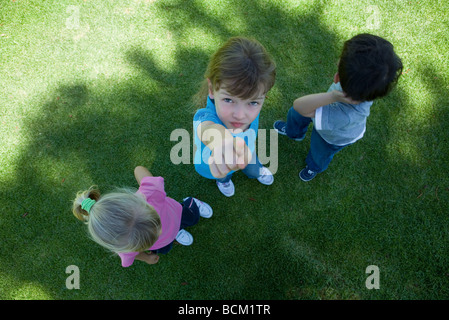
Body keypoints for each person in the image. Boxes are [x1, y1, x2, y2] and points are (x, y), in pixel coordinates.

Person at [274, 33, 403, 181]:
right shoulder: (365, 87)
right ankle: (294, 132)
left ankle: (314, 167)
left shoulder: (344, 114)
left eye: (340, 61)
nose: (338, 61)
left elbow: (299, 106)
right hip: (330, 114)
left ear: (337, 78)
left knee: (320, 151)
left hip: (332, 137)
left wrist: (332, 96)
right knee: (296, 116)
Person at [72, 166, 213, 267]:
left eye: (156, 224)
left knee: (192, 217)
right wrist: (146, 258)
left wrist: (142, 180)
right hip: (164, 240)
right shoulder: (123, 245)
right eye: (147, 241)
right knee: (166, 245)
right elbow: (130, 257)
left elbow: (139, 169)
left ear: (140, 202)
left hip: (178, 213)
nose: (160, 231)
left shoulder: (148, 195)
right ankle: (176, 233)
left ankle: (192, 202)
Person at [193, 36, 277, 197]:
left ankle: (256, 171)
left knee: (253, 169)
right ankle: (224, 181)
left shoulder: (247, 107)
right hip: (213, 163)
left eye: (253, 103)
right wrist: (222, 141)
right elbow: (208, 129)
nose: (240, 115)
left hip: (248, 151)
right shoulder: (205, 116)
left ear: (264, 96)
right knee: (223, 172)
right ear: (211, 89)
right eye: (228, 100)